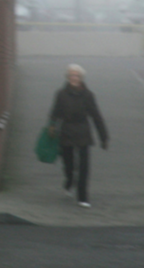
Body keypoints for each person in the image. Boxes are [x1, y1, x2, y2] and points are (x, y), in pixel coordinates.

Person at [48, 63, 108, 208]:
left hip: (82, 132)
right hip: (66, 132)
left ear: (81, 78)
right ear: (67, 77)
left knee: (84, 166)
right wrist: (51, 127)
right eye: (71, 75)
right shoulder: (61, 94)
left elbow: (96, 116)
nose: (74, 78)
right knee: (69, 164)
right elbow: (55, 113)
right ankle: (69, 181)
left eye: (77, 75)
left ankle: (83, 197)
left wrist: (104, 137)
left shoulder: (88, 95)